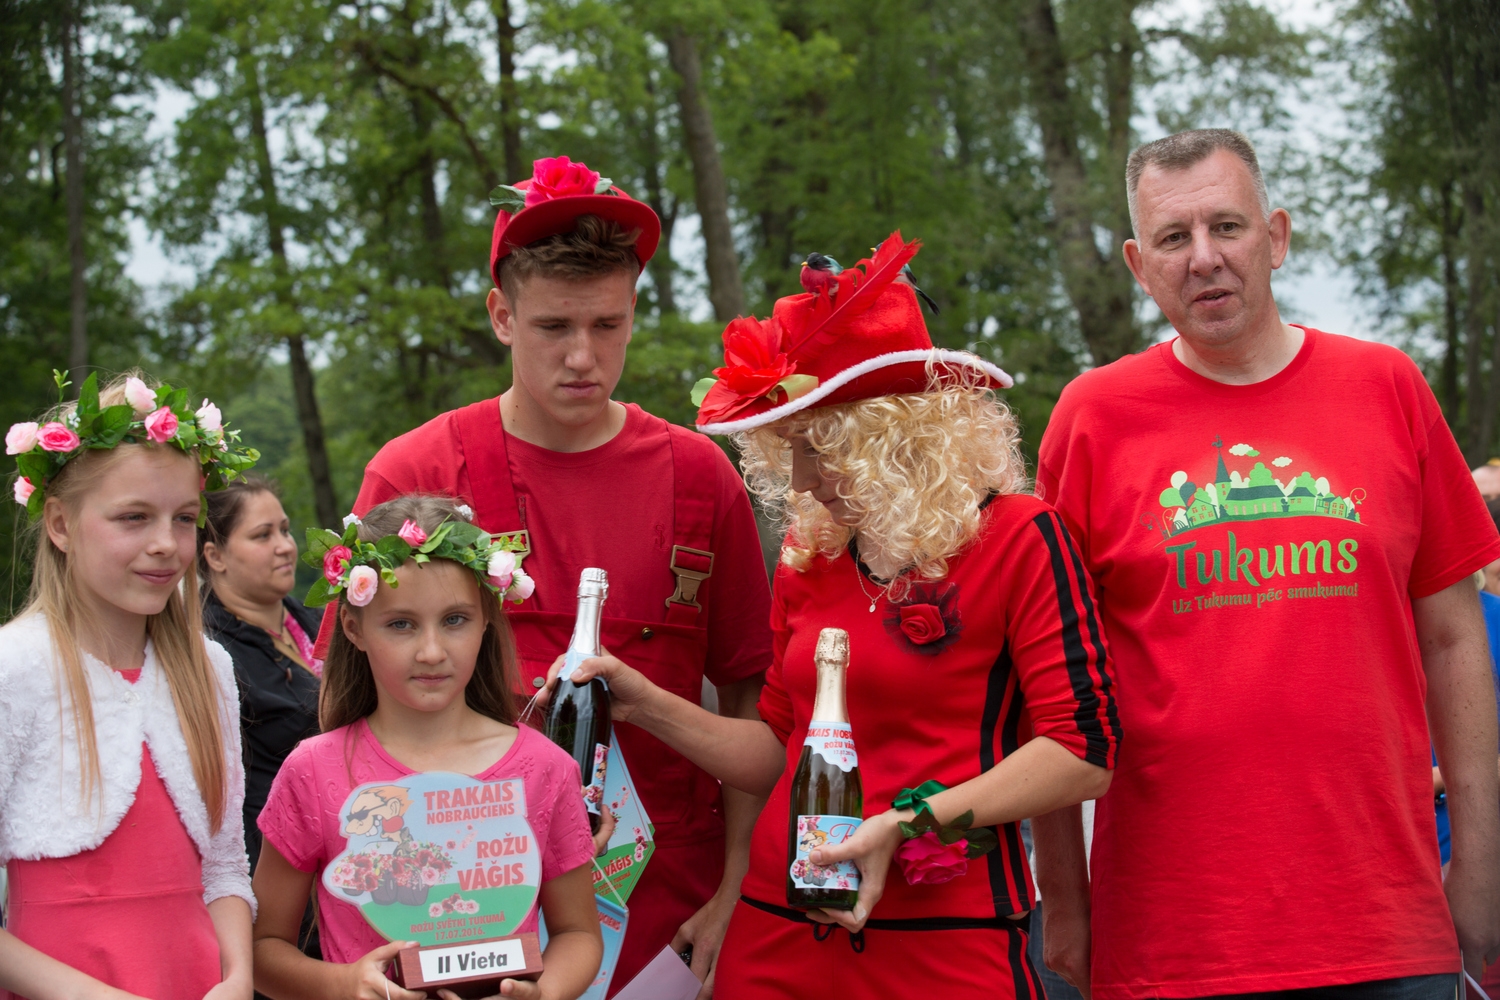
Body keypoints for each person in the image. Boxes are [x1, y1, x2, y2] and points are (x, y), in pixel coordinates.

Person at [546, 233, 1122, 997]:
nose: (801, 479)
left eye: (820, 448)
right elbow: (773, 752)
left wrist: (911, 824)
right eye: (790, 447)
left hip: (946, 942)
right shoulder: (810, 555)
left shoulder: (1019, 537)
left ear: (894, 437)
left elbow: (1082, 750)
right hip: (773, 935)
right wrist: (645, 703)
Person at [1034, 128, 1500, 1000]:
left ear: (1276, 237)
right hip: (1172, 939)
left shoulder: (1388, 388)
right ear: (1140, 265)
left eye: (1228, 227)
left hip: (1386, 927)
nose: (1203, 258)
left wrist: (1479, 866)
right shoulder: (1092, 418)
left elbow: (1454, 642)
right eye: (1174, 239)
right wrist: (1064, 898)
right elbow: (1055, 687)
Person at [312, 155, 774, 995]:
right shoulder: (417, 469)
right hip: (464, 908)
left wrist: (737, 886)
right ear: (500, 315)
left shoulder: (701, 476)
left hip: (664, 917)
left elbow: (750, 697)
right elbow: (345, 709)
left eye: (608, 325)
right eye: (554, 327)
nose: (583, 357)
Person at [251, 494, 602, 1000]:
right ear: (354, 628)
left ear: (487, 618)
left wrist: (544, 993)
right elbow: (263, 948)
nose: (432, 651)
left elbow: (578, 934)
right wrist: (343, 985)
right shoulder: (314, 769)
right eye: (401, 624)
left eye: (455, 619)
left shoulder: (544, 767)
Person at [0, 372, 260, 1000]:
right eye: (134, 517)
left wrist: (239, 977)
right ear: (60, 524)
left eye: (184, 519)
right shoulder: (15, 668)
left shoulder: (208, 667)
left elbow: (224, 865)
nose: (165, 545)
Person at [200, 476, 324, 966]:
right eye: (262, 535)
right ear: (215, 557)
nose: (285, 547)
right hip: (269, 852)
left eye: (286, 530)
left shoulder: (305, 616)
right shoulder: (210, 648)